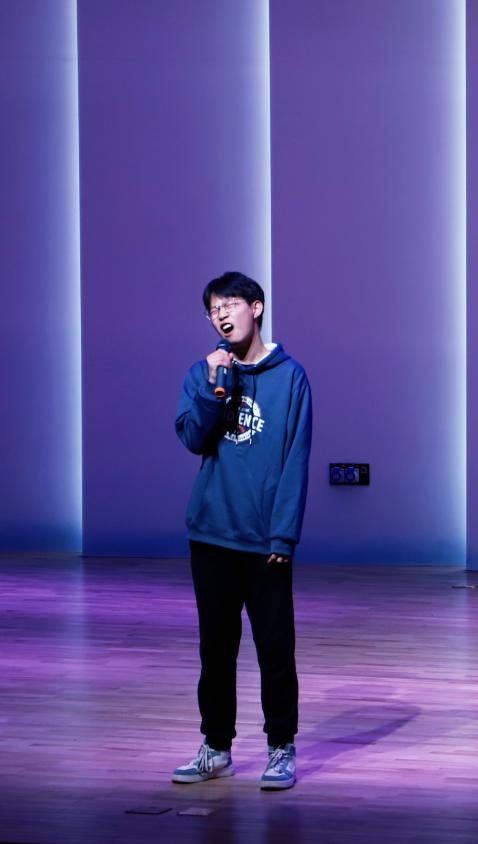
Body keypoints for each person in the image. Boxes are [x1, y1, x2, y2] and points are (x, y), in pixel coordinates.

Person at [171, 271, 312, 790]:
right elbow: (193, 439)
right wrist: (216, 387)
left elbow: (296, 459)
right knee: (215, 650)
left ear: (256, 307)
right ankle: (216, 748)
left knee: (275, 649)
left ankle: (281, 747)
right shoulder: (205, 372)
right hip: (211, 533)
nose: (221, 315)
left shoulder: (290, 377)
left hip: (264, 542)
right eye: (213, 310)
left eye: (230, 304)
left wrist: (283, 535)